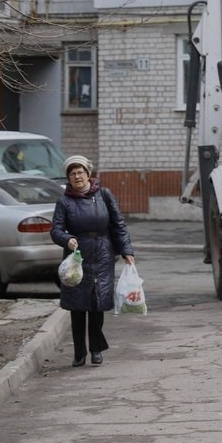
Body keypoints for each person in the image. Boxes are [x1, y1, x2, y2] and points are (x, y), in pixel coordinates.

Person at [50, 155, 136, 367]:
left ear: (88, 174)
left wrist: (126, 250)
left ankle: (96, 349)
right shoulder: (64, 201)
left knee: (97, 304)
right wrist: (67, 239)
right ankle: (79, 353)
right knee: (77, 307)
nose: (77, 176)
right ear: (68, 179)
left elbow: (119, 225)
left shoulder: (104, 195)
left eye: (80, 172)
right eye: (72, 174)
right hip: (76, 259)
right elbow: (56, 230)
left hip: (103, 255)